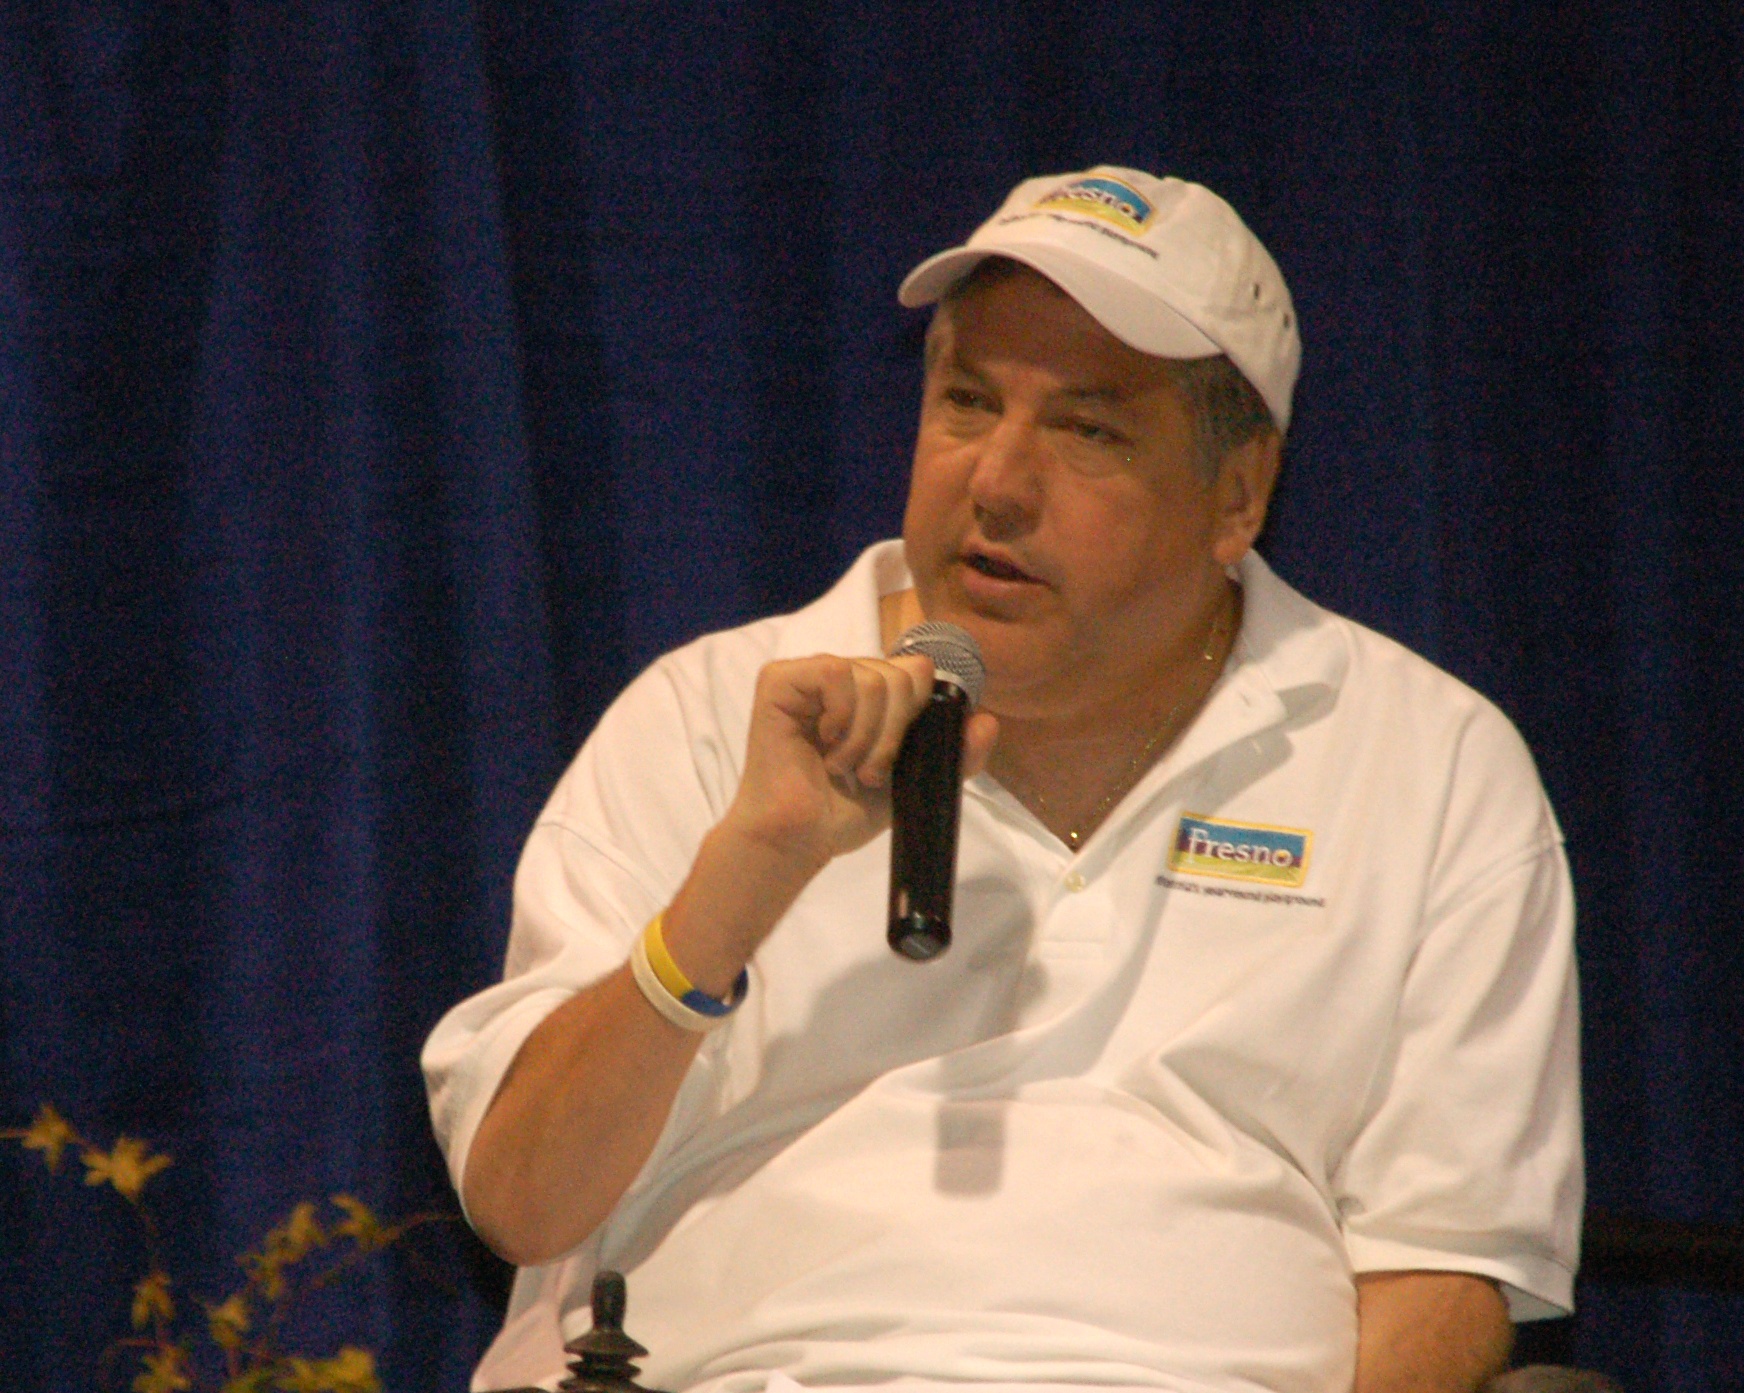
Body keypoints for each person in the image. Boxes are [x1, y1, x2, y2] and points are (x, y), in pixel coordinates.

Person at [424, 166, 1582, 1393]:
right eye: (968, 403)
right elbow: (522, 1201)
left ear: (1238, 496)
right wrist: (744, 877)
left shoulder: (1428, 762)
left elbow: (1439, 1275)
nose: (998, 482)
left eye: (1088, 430)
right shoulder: (710, 717)